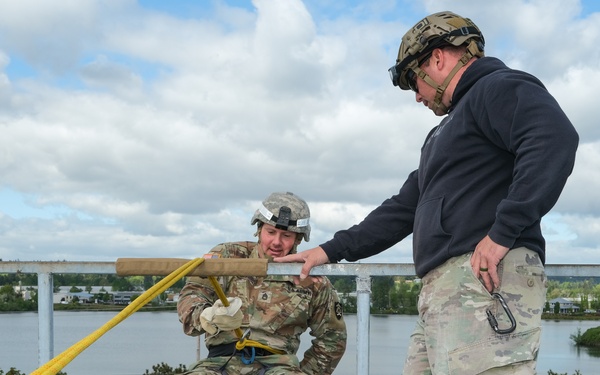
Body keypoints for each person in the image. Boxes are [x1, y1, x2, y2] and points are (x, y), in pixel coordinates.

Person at [276, 11, 579, 374]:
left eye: (414, 82)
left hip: (484, 279)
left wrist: (502, 232)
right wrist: (328, 250)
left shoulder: (497, 87)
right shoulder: (444, 132)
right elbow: (404, 208)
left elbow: (553, 138)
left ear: (438, 58)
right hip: (443, 290)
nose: (417, 97)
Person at [177, 191, 346, 375]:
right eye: (270, 232)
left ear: (298, 239)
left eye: (286, 236)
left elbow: (333, 337)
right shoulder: (227, 257)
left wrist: (304, 372)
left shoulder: (311, 278)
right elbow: (191, 301)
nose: (276, 242)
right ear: (259, 229)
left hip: (279, 366)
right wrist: (208, 317)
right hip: (219, 363)